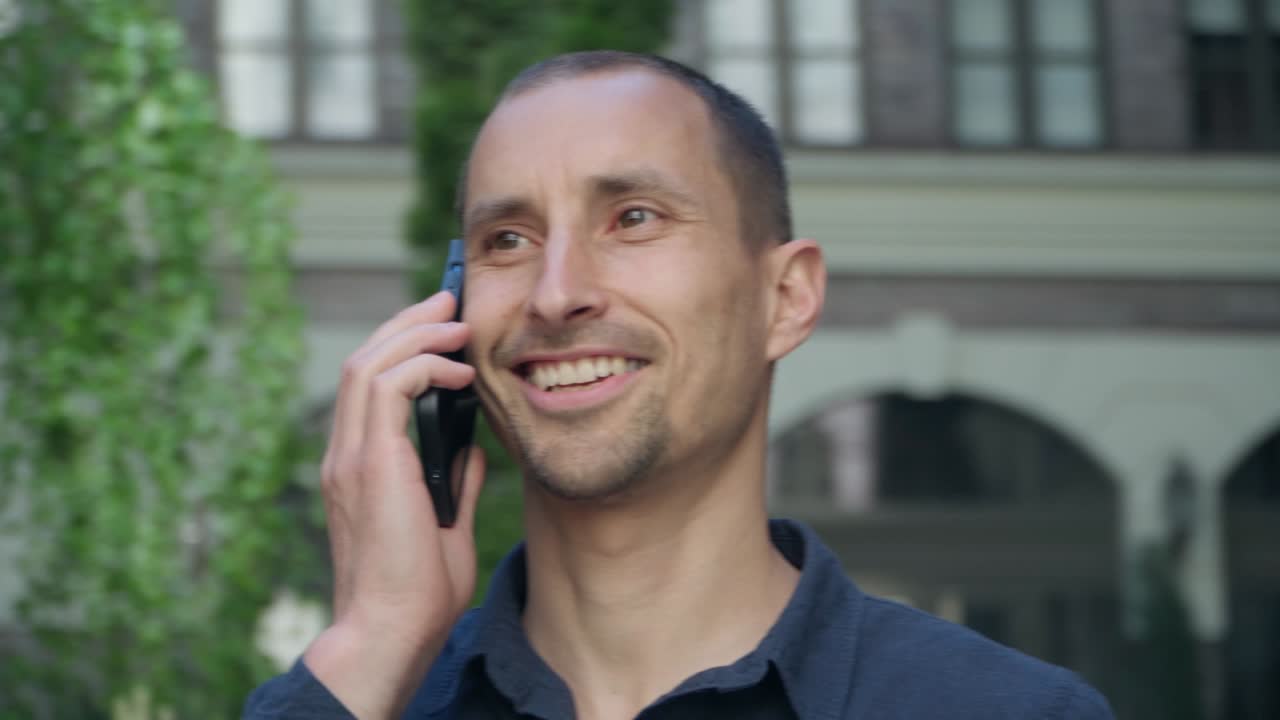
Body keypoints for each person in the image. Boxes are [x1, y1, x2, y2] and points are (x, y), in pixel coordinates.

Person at [244, 51, 1113, 719]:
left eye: (633, 219)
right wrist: (374, 642)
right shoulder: (370, 696)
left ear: (786, 298)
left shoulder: (1005, 710)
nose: (555, 293)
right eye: (507, 239)